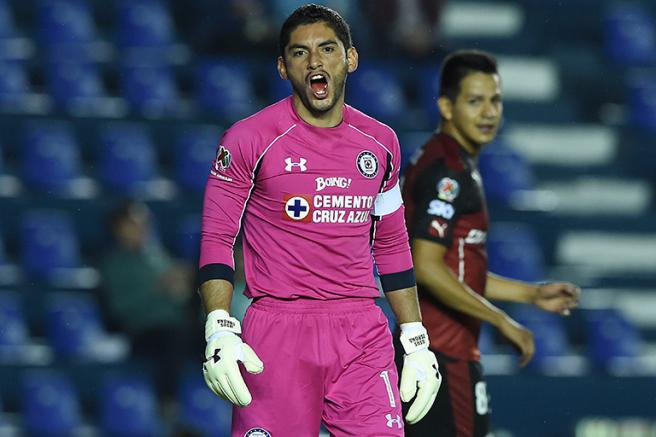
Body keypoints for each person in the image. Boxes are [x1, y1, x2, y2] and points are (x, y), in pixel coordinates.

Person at [198, 4, 441, 436]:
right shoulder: (248, 139)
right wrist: (218, 325)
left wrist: (415, 337)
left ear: (350, 57)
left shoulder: (381, 143)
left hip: (361, 331)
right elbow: (217, 235)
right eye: (299, 53)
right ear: (281, 67)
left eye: (327, 49)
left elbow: (391, 243)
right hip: (277, 331)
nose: (314, 62)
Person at [398, 49, 582, 437]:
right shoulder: (447, 173)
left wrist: (531, 295)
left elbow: (456, 268)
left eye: (495, 100)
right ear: (446, 106)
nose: (488, 112)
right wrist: (500, 320)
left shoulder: (451, 162)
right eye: (474, 101)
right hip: (442, 355)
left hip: (439, 353)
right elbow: (426, 265)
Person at [100, 199, 196, 402]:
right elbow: (121, 307)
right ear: (119, 228)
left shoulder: (156, 254)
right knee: (173, 339)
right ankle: (167, 402)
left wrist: (182, 286)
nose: (142, 228)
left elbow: (177, 292)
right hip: (144, 332)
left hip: (178, 323)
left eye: (144, 222)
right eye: (135, 223)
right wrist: (159, 289)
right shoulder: (114, 264)